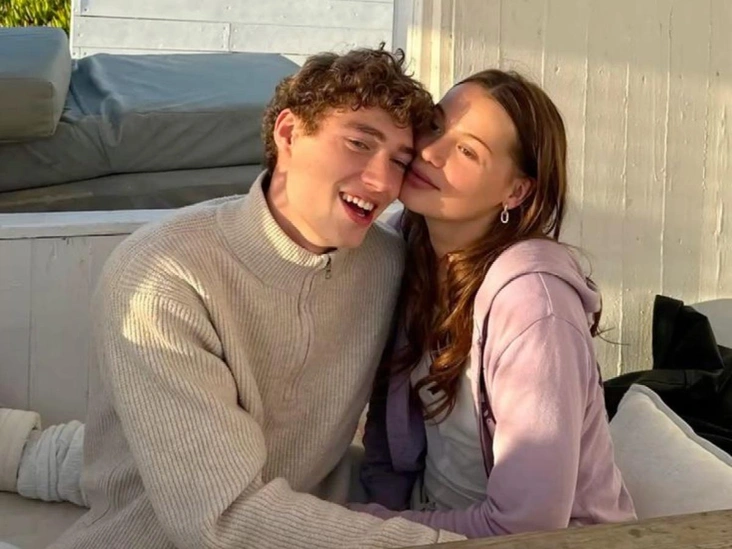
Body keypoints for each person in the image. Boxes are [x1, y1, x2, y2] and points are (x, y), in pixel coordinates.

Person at [44, 47, 465, 548]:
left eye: (399, 161)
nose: (381, 181)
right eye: (358, 143)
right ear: (288, 133)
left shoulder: (390, 264)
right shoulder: (163, 276)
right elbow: (221, 518)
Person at [354, 69, 637, 537]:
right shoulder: (408, 246)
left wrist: (371, 527)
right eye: (435, 125)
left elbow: (528, 524)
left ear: (516, 191)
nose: (431, 152)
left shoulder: (533, 306)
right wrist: (374, 514)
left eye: (468, 151)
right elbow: (388, 443)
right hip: (431, 518)